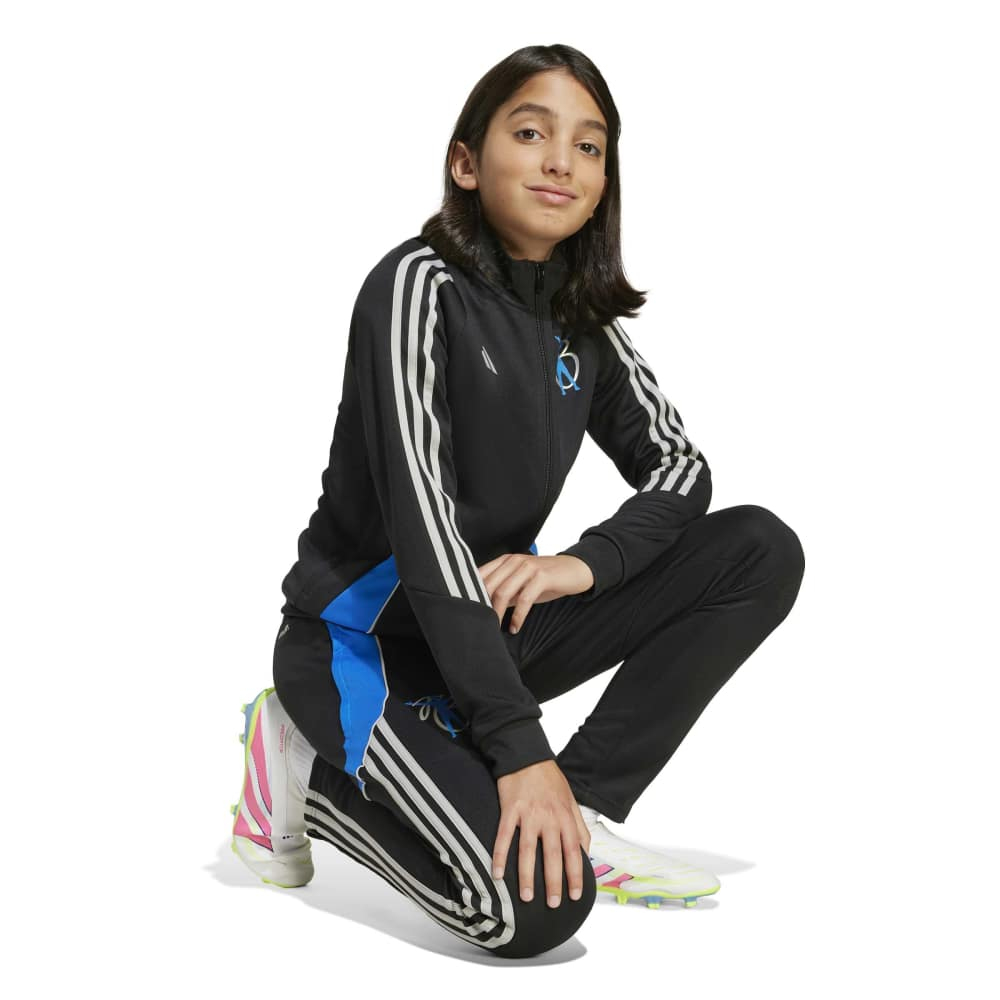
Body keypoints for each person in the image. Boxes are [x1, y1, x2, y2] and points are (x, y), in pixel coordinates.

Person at [228, 44, 805, 959]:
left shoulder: (581, 322)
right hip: (363, 649)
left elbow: (681, 469)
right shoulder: (415, 288)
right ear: (466, 162)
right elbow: (425, 523)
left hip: (482, 636)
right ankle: (311, 777)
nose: (560, 162)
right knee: (530, 914)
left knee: (757, 550)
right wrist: (516, 743)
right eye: (531, 134)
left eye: (589, 146)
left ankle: (584, 806)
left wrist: (584, 564)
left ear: (604, 184)